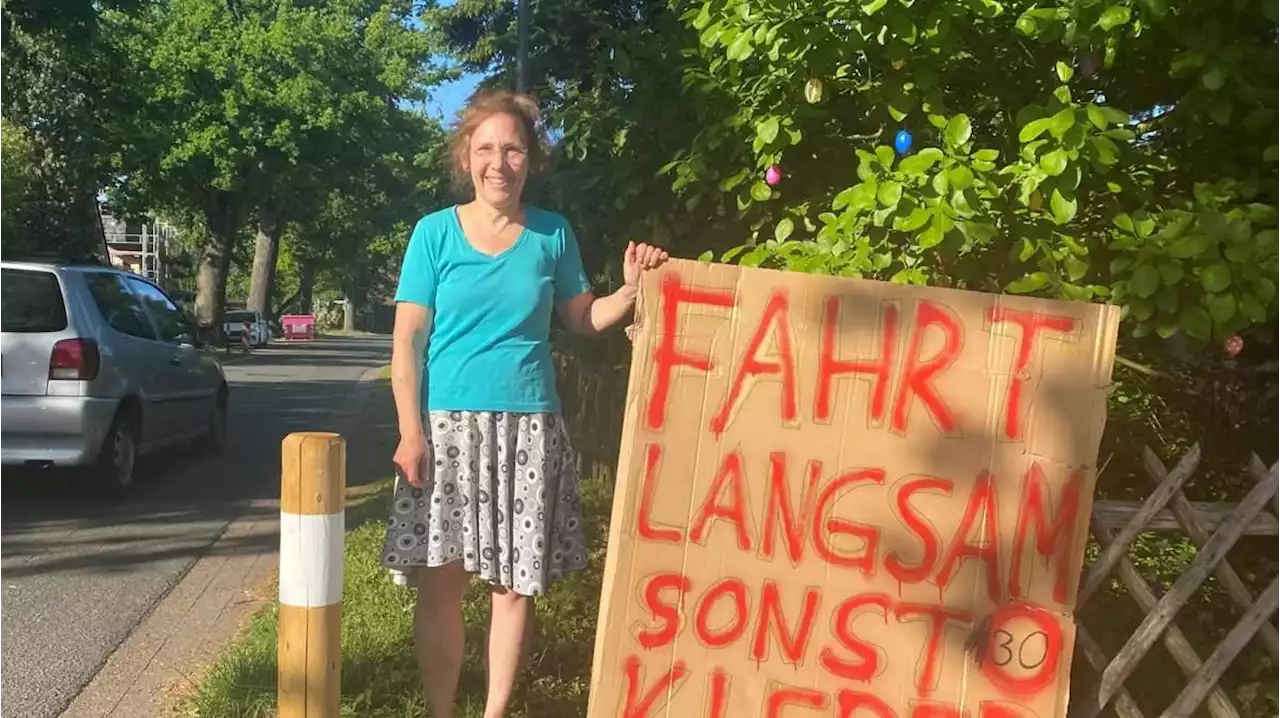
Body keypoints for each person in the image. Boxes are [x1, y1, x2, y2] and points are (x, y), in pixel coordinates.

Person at [380, 89, 671, 718]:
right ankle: (440, 711)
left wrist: (629, 289)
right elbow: (408, 339)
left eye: (513, 148)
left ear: (530, 160)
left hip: (529, 430)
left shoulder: (552, 235)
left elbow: (583, 318)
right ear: (466, 156)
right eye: (486, 148)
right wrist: (410, 430)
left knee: (512, 588)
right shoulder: (434, 235)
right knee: (442, 584)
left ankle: (494, 712)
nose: (499, 162)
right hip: (447, 429)